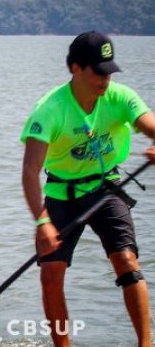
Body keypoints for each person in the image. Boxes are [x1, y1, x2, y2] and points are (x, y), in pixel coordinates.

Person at [21, 31, 155, 347]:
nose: (105, 79)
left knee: (126, 261)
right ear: (76, 69)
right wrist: (42, 222)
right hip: (60, 194)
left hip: (105, 189)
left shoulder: (121, 97)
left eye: (109, 71)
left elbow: (150, 124)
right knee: (51, 273)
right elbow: (29, 171)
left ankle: (146, 345)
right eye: (98, 71)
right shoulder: (50, 109)